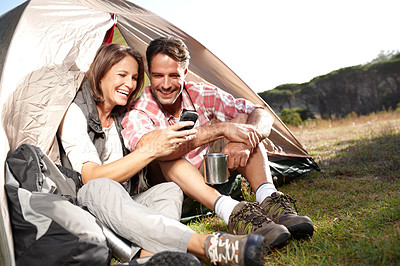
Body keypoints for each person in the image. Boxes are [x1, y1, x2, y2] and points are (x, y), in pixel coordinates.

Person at [58, 43, 266, 266]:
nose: (129, 85)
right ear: (101, 74)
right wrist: (152, 150)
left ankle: (148, 259)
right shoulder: (75, 113)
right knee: (101, 185)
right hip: (89, 201)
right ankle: (206, 245)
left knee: (169, 189)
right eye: (122, 75)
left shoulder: (121, 112)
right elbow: (91, 177)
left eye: (135, 78)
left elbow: (256, 111)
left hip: (126, 202)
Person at [122, 36, 314, 249]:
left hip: (208, 175)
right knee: (167, 154)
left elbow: (261, 113)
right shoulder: (138, 111)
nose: (166, 85)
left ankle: (270, 199)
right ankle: (233, 212)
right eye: (158, 75)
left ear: (185, 73)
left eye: (174, 75)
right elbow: (150, 148)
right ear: (149, 73)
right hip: (171, 191)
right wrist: (221, 129)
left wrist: (245, 140)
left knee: (244, 124)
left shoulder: (198, 93)